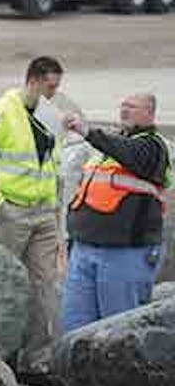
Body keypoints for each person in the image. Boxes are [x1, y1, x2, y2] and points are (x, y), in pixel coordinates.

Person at [0, 56, 65, 386]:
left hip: (44, 214)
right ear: (33, 80)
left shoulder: (50, 117)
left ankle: (36, 362)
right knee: (0, 285)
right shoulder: (1, 112)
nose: (54, 94)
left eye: (57, 88)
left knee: (44, 287)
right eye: (50, 86)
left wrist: (56, 215)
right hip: (11, 212)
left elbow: (52, 167)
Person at [62, 94, 171, 331]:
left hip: (125, 253)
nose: (124, 111)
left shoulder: (153, 147)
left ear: (149, 113)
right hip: (84, 248)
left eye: (131, 107)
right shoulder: (106, 150)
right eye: (122, 106)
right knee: (74, 326)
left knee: (118, 330)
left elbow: (129, 153)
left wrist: (89, 132)